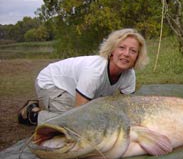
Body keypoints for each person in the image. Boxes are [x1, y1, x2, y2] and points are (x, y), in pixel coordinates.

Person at [18, 28, 149, 125]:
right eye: (122, 47)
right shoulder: (94, 71)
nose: (126, 54)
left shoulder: (130, 75)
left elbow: (126, 107)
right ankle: (32, 113)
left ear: (137, 57)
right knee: (69, 123)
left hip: (75, 87)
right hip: (50, 82)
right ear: (112, 51)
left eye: (133, 51)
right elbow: (79, 114)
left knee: (99, 116)